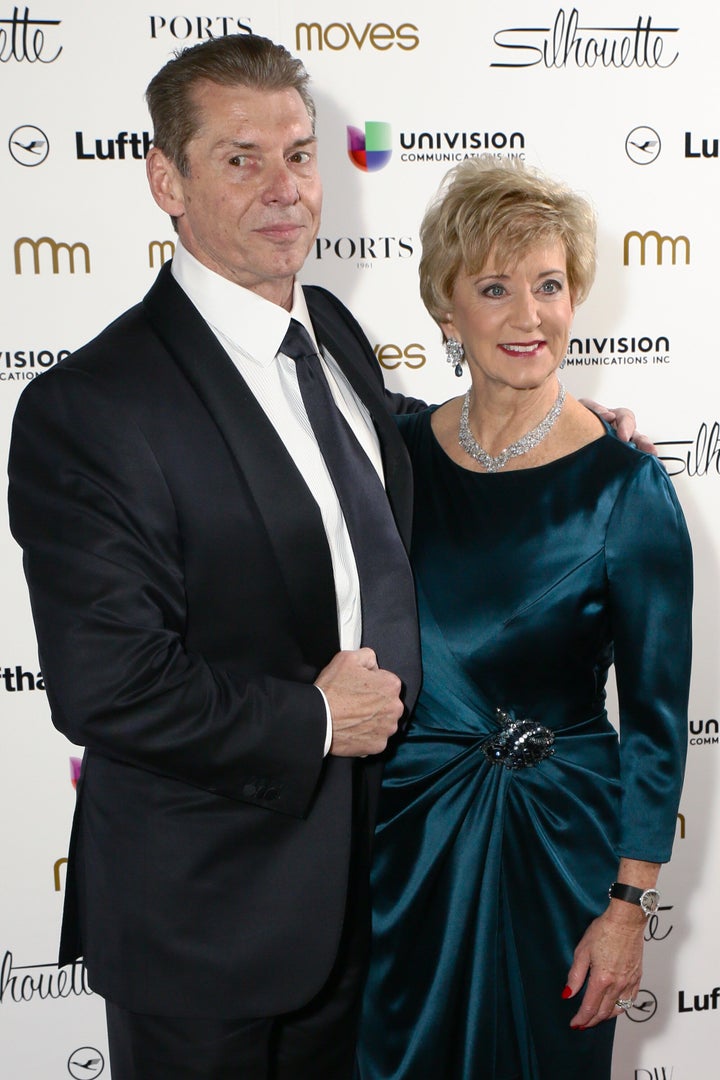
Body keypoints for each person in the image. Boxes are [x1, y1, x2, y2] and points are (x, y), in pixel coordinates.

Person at [7, 34, 643, 1080]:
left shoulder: (330, 330)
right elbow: (104, 684)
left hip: (371, 889)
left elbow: (392, 441)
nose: (285, 188)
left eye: (299, 154)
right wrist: (312, 717)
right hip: (207, 924)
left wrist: (551, 432)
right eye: (240, 158)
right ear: (166, 178)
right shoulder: (93, 406)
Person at [356, 158, 692, 1080]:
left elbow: (660, 724)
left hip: (558, 843)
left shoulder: (626, 485)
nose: (528, 316)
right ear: (446, 308)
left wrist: (628, 909)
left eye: (549, 285)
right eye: (495, 288)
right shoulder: (392, 457)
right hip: (406, 832)